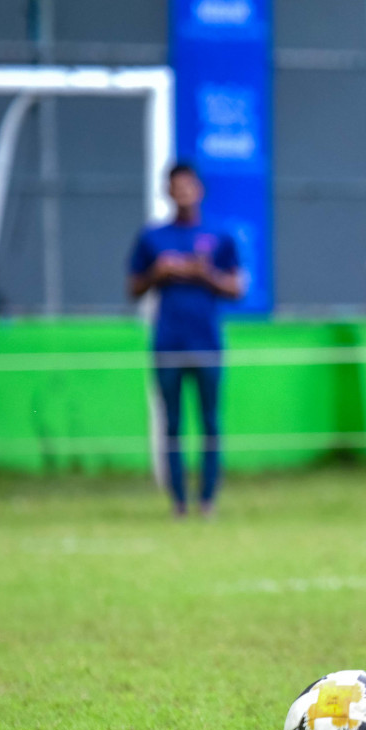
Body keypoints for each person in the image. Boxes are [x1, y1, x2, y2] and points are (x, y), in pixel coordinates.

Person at [127, 163, 244, 517]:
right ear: (167, 191)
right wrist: (157, 273)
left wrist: (205, 273)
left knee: (210, 421)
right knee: (172, 423)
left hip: (207, 342)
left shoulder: (220, 236)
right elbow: (133, 288)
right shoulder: (152, 238)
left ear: (199, 190)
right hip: (168, 342)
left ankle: (207, 500)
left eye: (188, 186)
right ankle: (178, 501)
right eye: (176, 187)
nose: (183, 193)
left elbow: (237, 288)